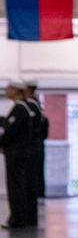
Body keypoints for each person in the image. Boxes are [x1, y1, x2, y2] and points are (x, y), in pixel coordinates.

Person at [0, 81, 37, 229]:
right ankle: (17, 216)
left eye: (9, 89)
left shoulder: (20, 109)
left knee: (16, 185)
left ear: (16, 91)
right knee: (16, 184)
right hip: (17, 151)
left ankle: (18, 218)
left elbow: (10, 131)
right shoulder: (21, 108)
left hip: (16, 152)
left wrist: (1, 143)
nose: (7, 91)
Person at [23, 80, 47, 199]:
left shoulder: (32, 106)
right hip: (36, 144)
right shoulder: (36, 105)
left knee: (34, 172)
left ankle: (38, 193)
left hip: (33, 145)